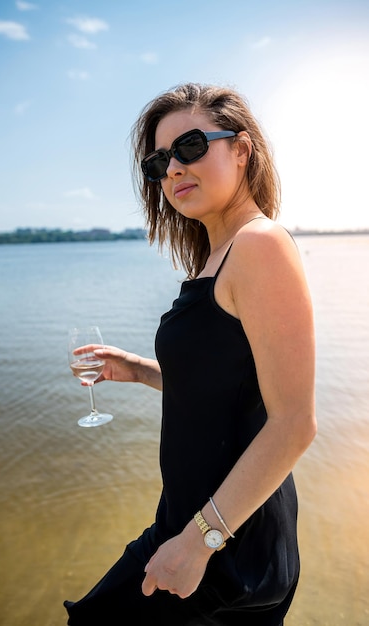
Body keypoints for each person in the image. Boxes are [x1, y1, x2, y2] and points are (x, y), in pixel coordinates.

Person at [63, 82, 317, 625]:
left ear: (242, 149)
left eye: (192, 146)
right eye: (159, 161)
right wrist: (139, 371)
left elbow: (294, 423)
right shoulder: (220, 255)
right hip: (197, 524)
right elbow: (228, 391)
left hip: (226, 546)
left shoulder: (260, 246)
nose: (173, 168)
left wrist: (199, 542)